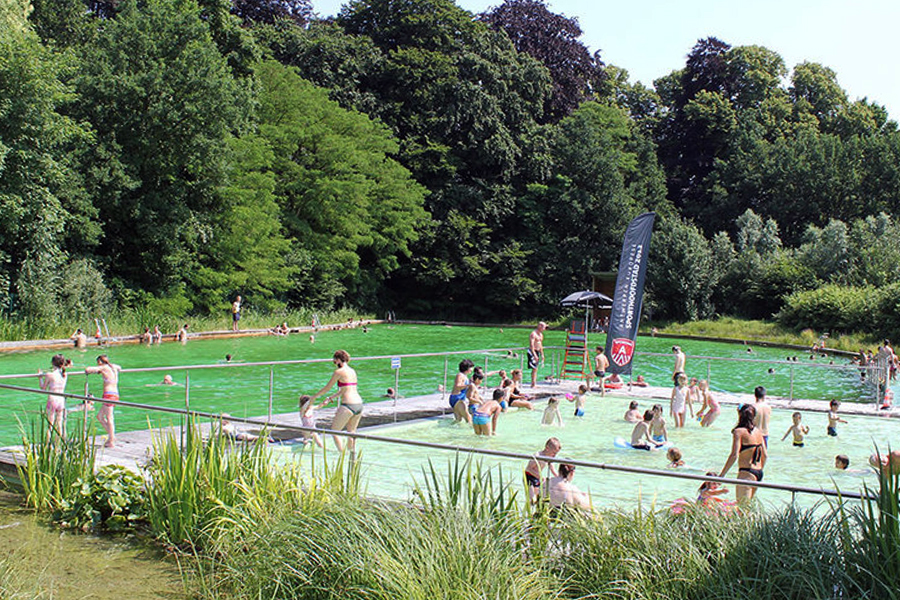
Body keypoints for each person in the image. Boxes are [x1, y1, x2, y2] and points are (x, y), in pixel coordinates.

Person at [310, 350, 364, 452]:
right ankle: (352, 455)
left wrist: (315, 396)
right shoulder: (352, 371)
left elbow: (327, 387)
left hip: (348, 405)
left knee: (335, 431)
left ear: (338, 360)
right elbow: (345, 389)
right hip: (359, 404)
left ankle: (341, 455)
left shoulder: (339, 372)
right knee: (351, 432)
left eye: (335, 361)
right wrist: (331, 398)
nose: (335, 364)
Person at [719, 404, 767, 502]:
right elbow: (765, 455)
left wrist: (722, 475)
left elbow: (734, 455)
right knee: (748, 507)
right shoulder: (758, 432)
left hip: (746, 473)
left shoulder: (739, 432)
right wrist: (760, 469)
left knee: (742, 508)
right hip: (758, 472)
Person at [84, 355, 122, 448]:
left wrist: (97, 370)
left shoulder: (104, 367)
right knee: (100, 416)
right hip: (115, 393)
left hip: (108, 394)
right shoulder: (113, 367)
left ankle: (111, 441)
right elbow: (120, 367)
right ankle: (112, 436)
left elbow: (88, 369)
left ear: (100, 361)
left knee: (109, 418)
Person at [39, 354, 70, 438]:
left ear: (52, 363)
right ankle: (59, 445)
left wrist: (40, 378)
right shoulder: (64, 374)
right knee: (59, 423)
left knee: (50, 424)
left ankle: (48, 445)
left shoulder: (50, 375)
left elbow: (43, 388)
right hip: (61, 399)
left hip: (52, 399)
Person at [525, 438, 561, 502]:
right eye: (553, 453)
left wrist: (559, 478)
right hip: (529, 477)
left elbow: (552, 469)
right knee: (532, 499)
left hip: (537, 477)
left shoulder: (549, 457)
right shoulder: (538, 456)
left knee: (538, 498)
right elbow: (528, 469)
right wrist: (540, 476)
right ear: (547, 448)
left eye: (556, 453)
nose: (554, 455)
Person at [448, 359, 474, 423]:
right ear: (467, 368)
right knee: (468, 418)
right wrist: (468, 385)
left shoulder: (465, 376)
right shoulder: (460, 375)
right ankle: (471, 431)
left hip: (458, 398)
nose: (472, 369)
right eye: (471, 367)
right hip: (457, 398)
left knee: (458, 419)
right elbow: (458, 386)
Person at [528, 322, 547, 388]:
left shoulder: (541, 335)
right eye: (544, 327)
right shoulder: (533, 334)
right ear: (539, 326)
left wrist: (542, 355)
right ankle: (533, 384)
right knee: (534, 368)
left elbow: (540, 345)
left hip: (537, 351)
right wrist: (534, 355)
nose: (544, 329)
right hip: (533, 352)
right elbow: (531, 345)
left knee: (536, 368)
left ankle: (534, 383)